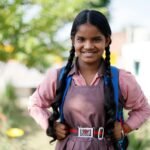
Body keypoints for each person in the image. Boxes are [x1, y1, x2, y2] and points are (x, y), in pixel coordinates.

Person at [28, 9, 150, 150]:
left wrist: (126, 127)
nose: (88, 46)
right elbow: (35, 104)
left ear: (107, 40)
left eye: (96, 39)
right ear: (73, 40)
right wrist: (50, 126)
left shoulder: (121, 79)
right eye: (81, 39)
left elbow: (143, 109)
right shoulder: (58, 77)